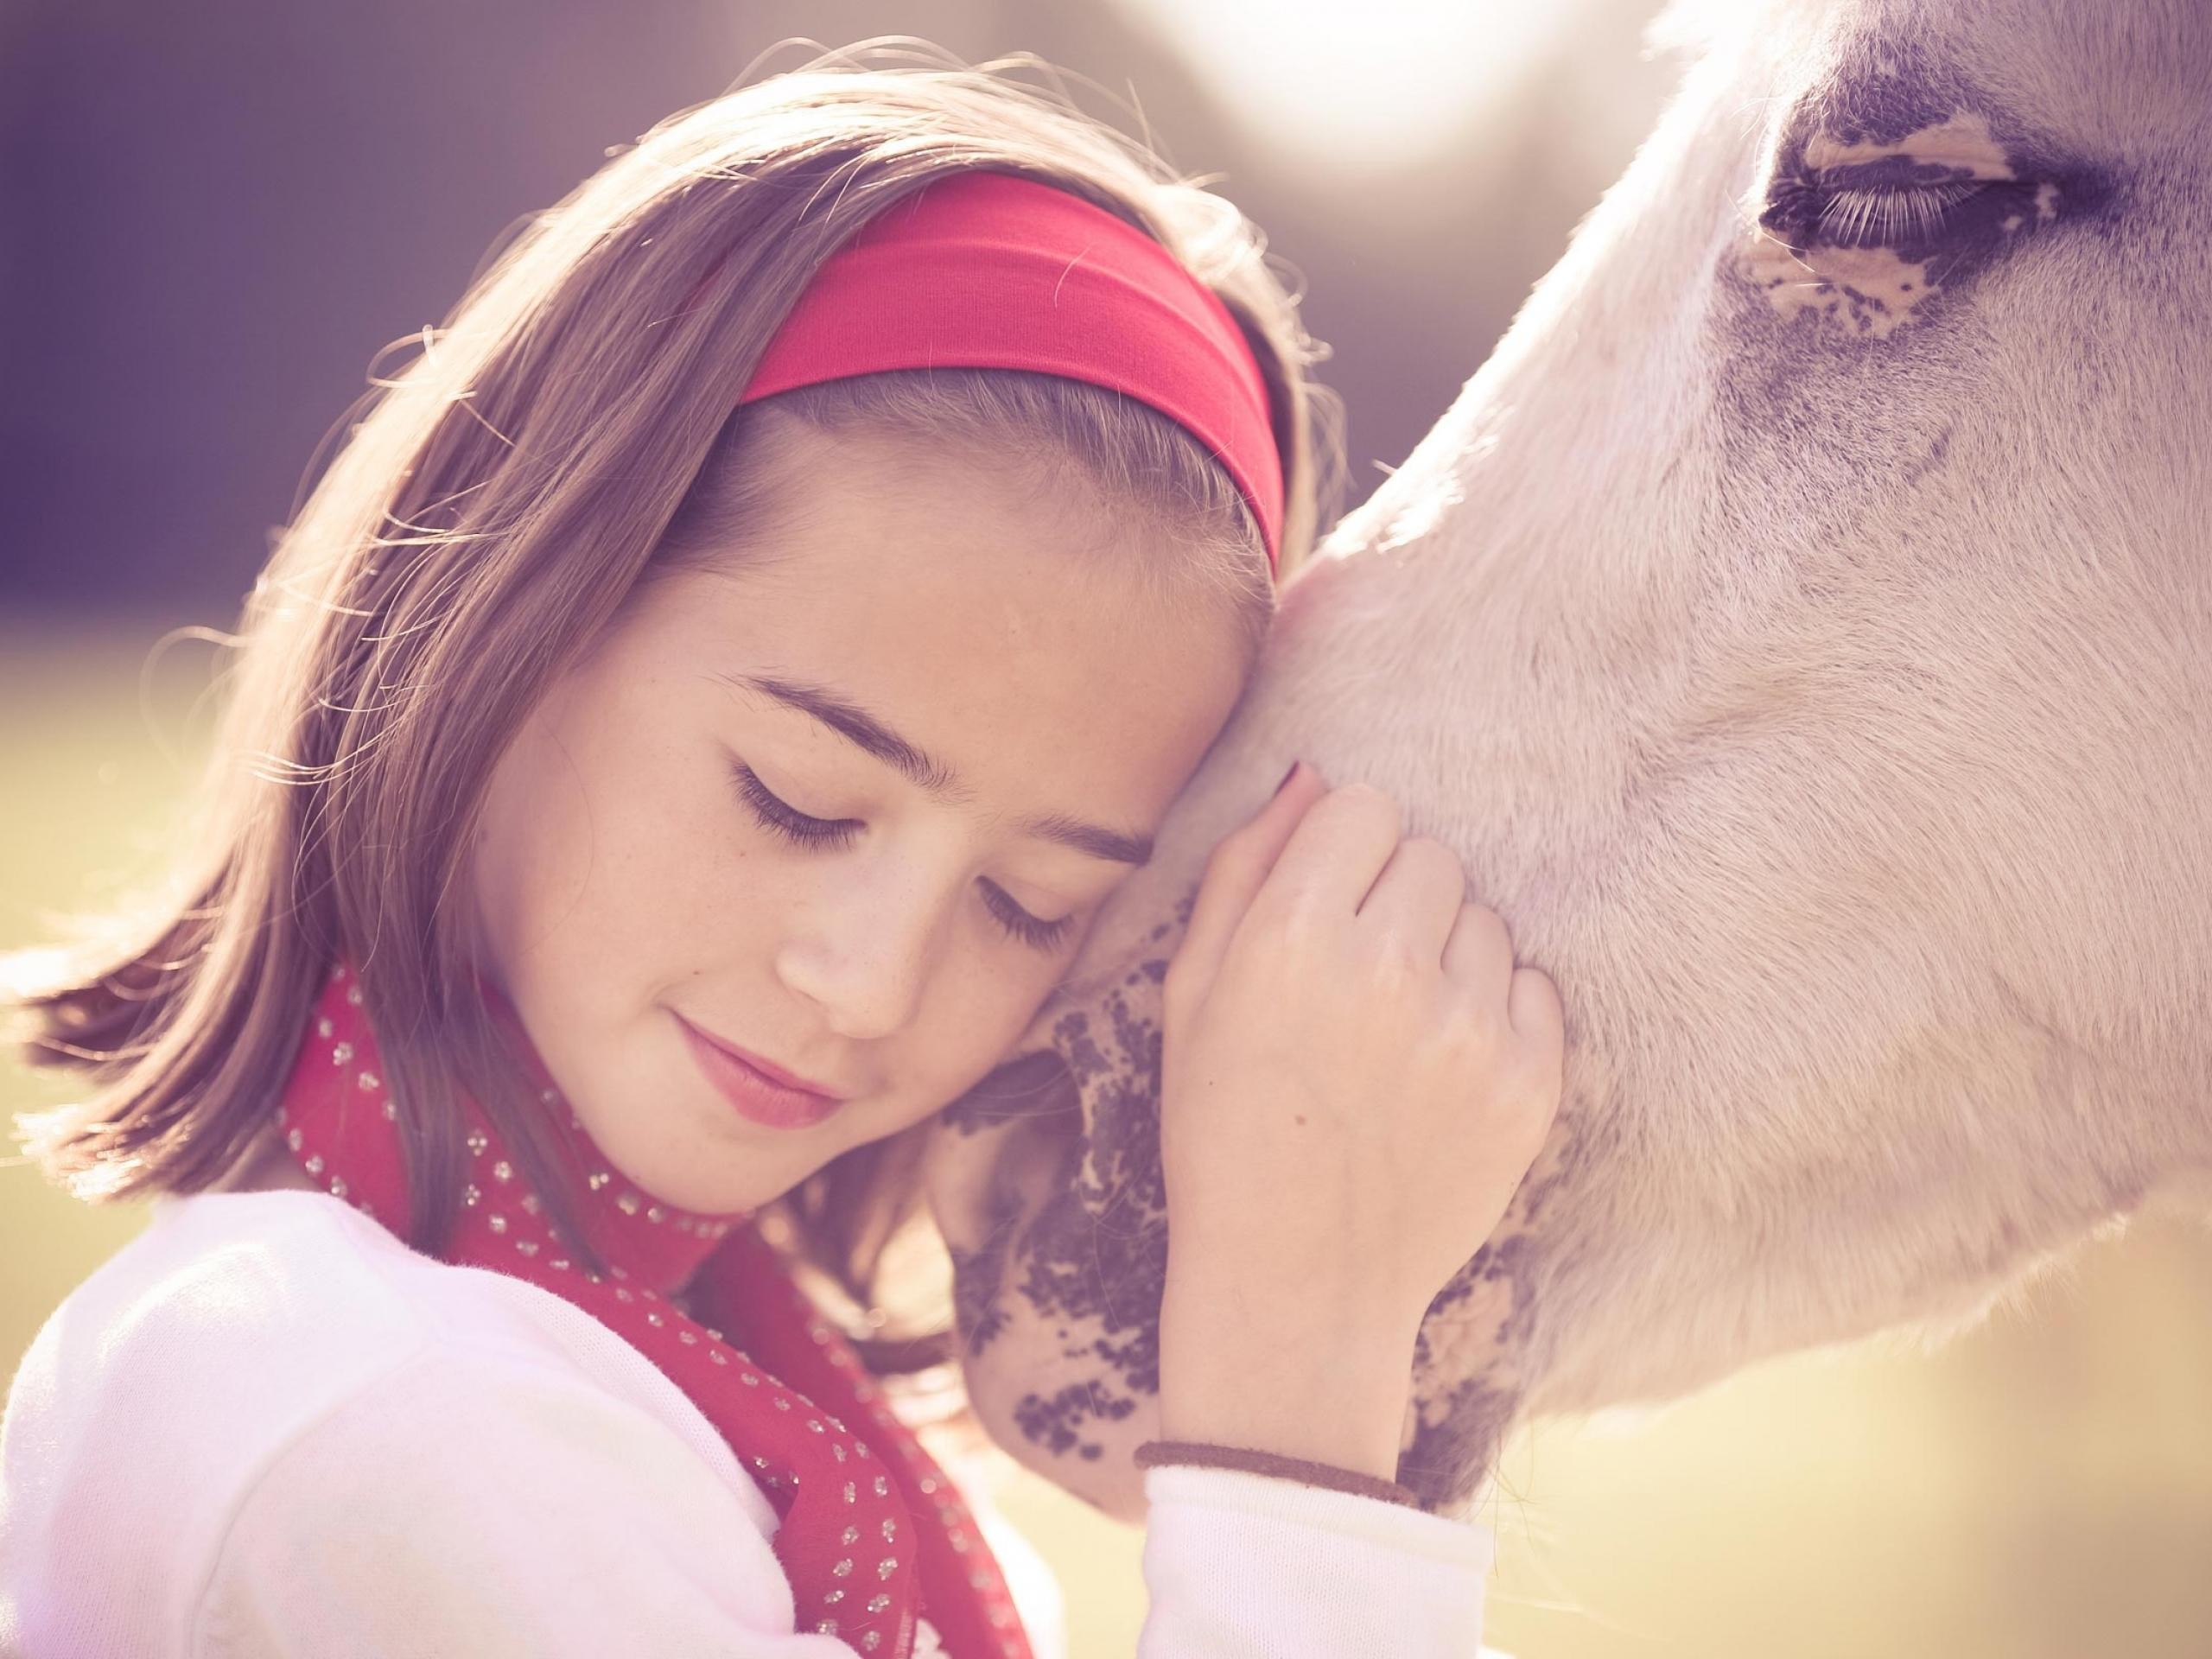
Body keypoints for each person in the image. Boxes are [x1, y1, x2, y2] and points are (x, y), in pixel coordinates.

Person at [0, 43, 1563, 1659]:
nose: (872, 985)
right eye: (799, 799)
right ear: (508, 627)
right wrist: (1298, 1414)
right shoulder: (370, 1419)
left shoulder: (659, 1370)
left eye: (1033, 905)